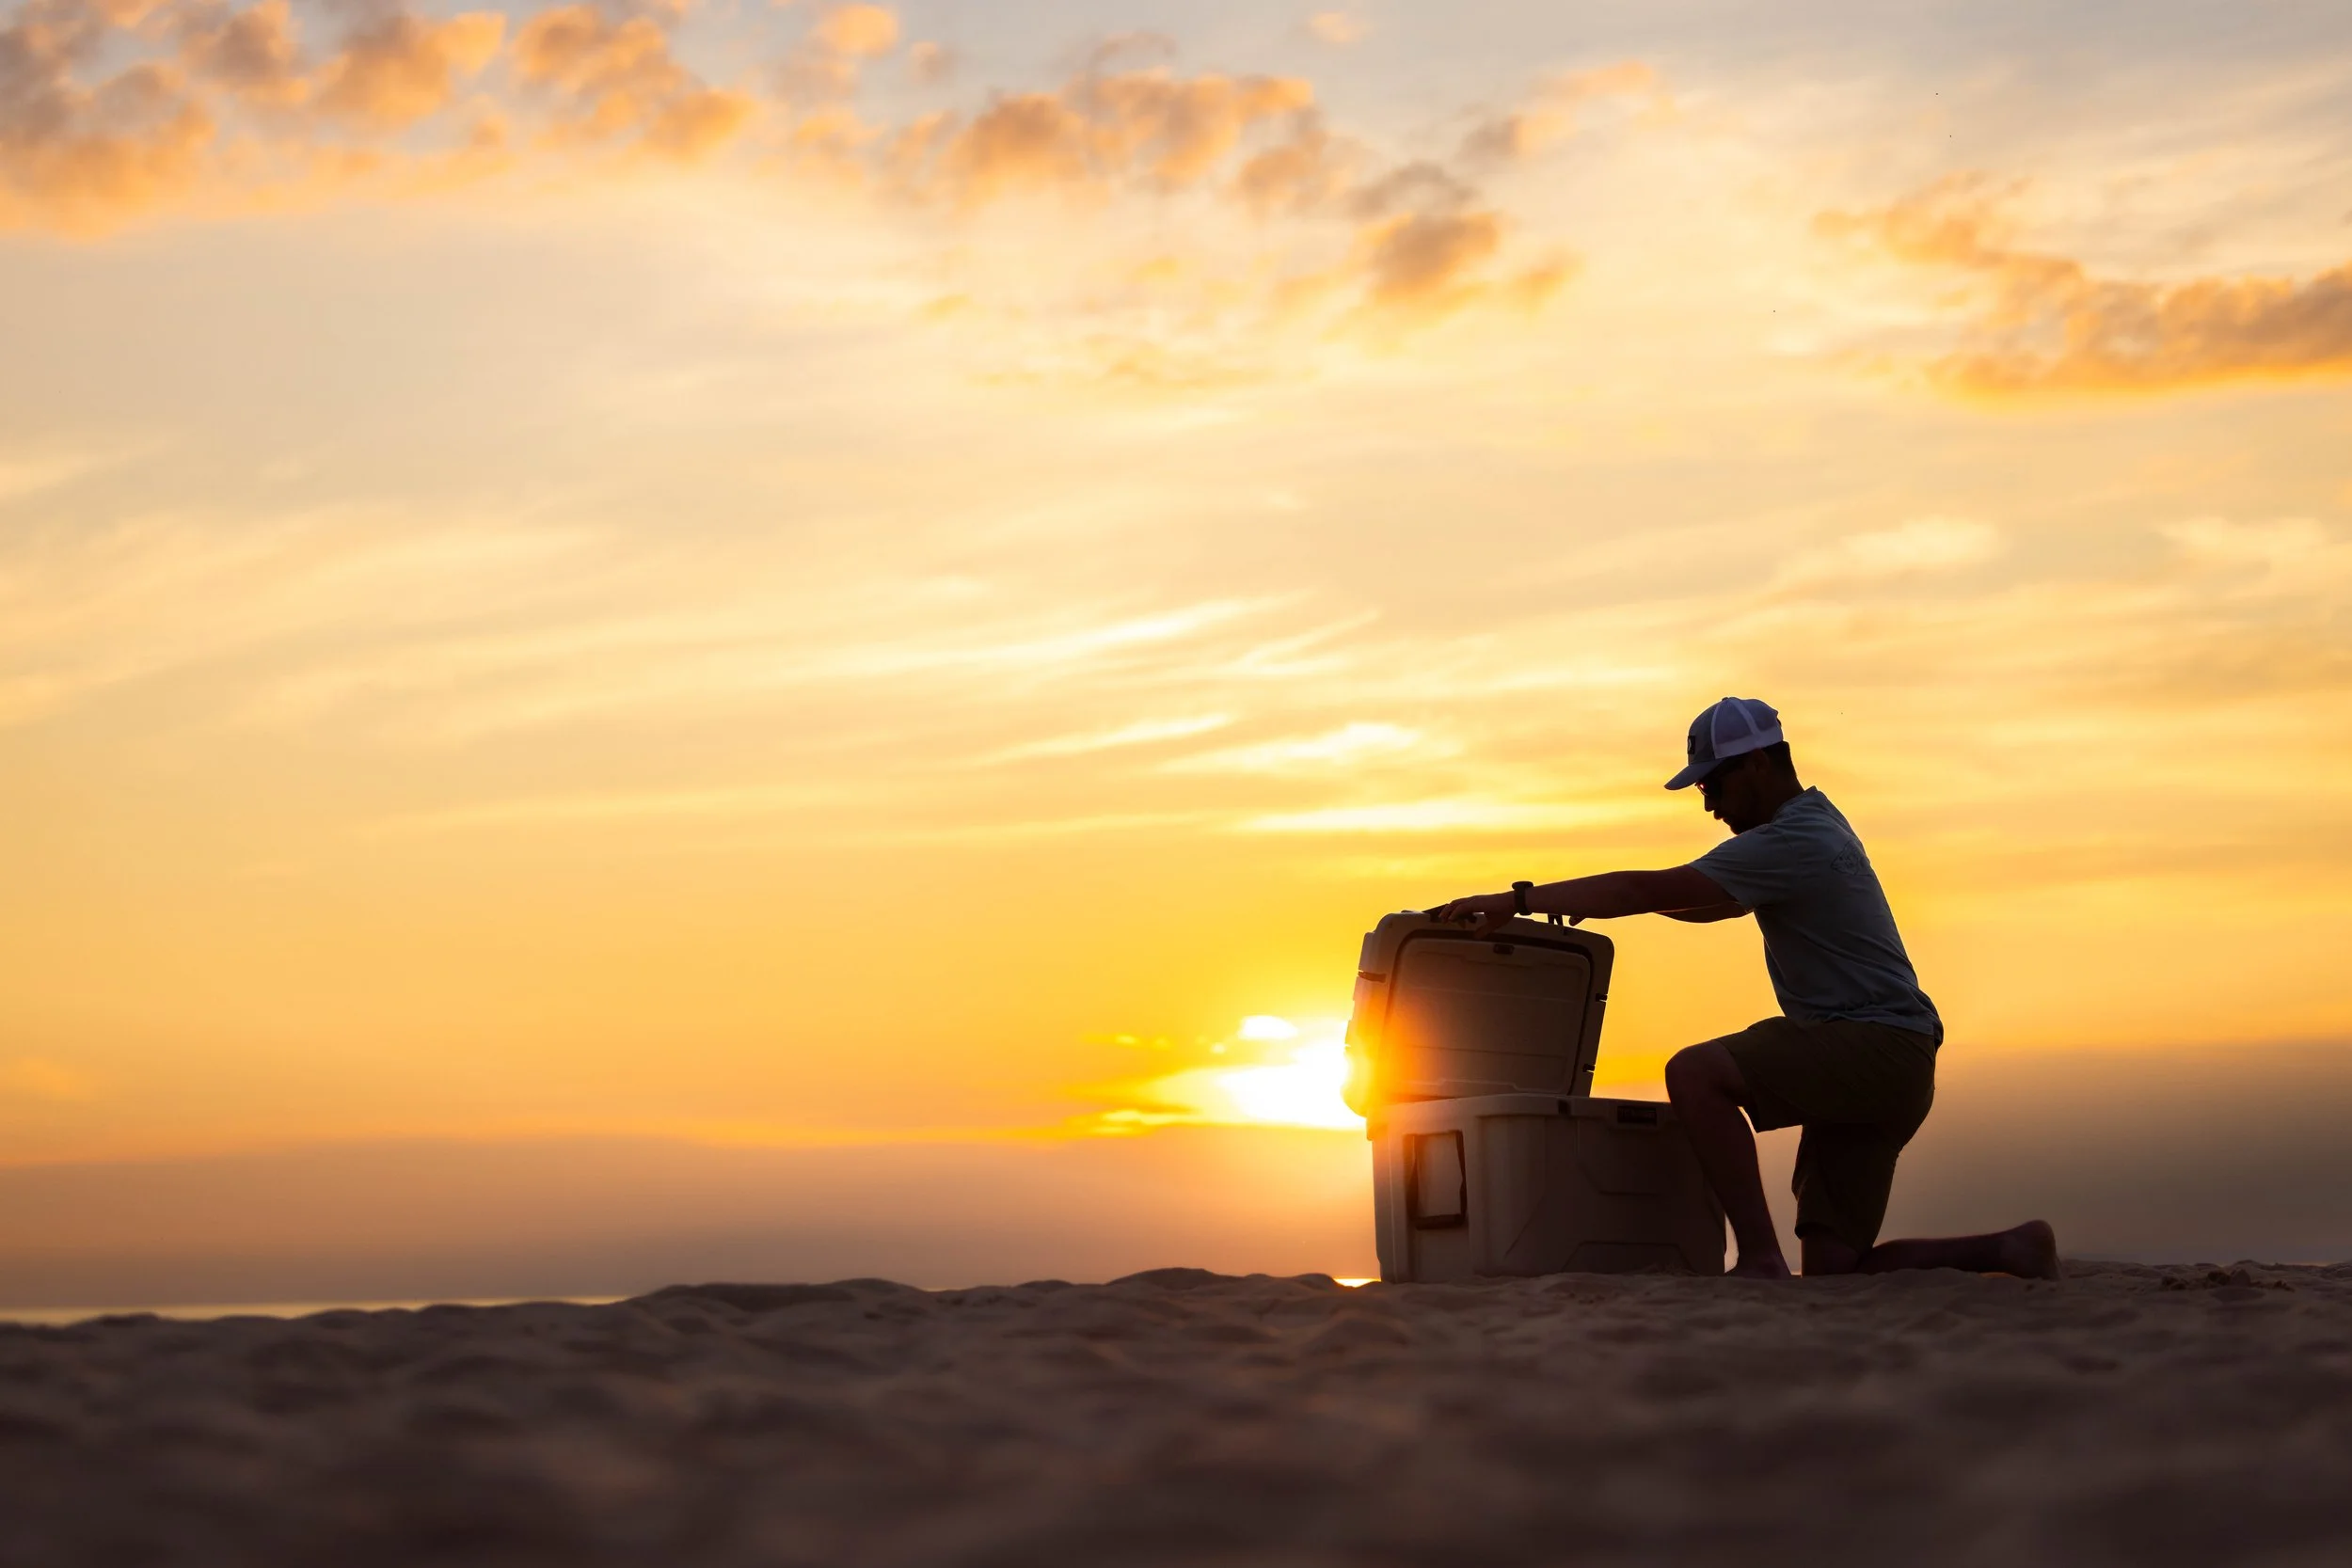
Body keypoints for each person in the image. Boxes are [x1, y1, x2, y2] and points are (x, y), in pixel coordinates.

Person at [1432, 696, 2057, 1281]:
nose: (1710, 804)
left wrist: (1520, 901)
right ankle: (2010, 1247)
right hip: (1895, 1057)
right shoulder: (1810, 826)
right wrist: (1600, 904)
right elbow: (1706, 903)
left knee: (1697, 1074)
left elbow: (1645, 891)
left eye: (1713, 784)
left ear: (1758, 763)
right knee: (1837, 1269)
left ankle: (1758, 1256)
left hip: (1873, 1044)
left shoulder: (1796, 839)